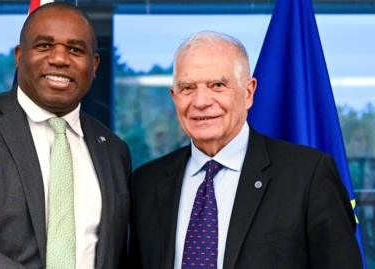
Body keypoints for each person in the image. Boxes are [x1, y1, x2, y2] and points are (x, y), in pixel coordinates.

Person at [0, 3, 131, 269]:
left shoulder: (113, 149)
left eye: (75, 49)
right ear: (19, 56)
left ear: (94, 64)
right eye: (44, 46)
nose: (60, 59)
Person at [128, 31, 362, 269]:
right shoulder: (147, 183)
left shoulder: (308, 175)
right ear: (174, 96)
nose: (200, 101)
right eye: (187, 88)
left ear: (248, 92)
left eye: (217, 85)